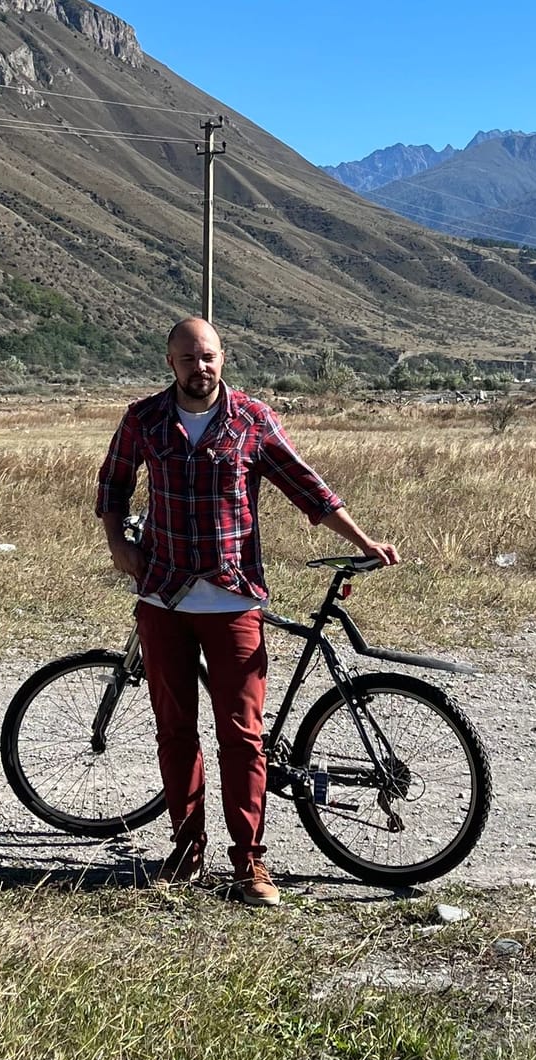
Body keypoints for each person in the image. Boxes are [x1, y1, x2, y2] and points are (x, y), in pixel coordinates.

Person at [95, 317, 398, 906]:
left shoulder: (252, 421)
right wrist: (117, 543)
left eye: (207, 356)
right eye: (187, 357)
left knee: (242, 735)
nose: (198, 366)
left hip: (233, 599)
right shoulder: (144, 419)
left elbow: (306, 487)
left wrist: (363, 541)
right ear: (170, 362)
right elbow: (114, 483)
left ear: (223, 359)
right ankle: (185, 854)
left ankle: (250, 866)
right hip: (162, 595)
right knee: (175, 732)